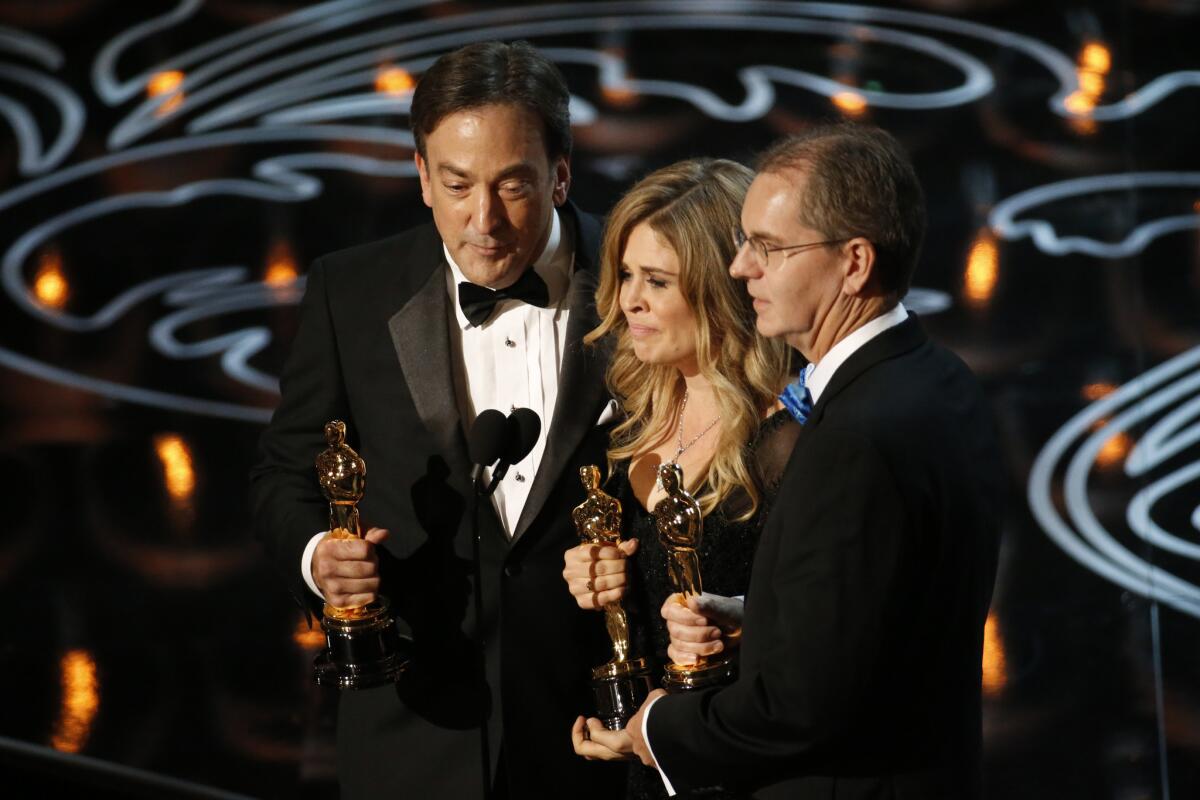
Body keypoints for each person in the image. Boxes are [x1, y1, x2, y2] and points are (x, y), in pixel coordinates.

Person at [249, 41, 625, 800]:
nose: (483, 220)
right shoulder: (348, 291)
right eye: (457, 184)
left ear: (560, 174)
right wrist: (319, 554)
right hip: (413, 736)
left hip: (601, 734)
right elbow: (283, 476)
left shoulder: (640, 275)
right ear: (422, 177)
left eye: (514, 185)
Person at [619, 125, 1006, 799]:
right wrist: (758, 618)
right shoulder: (937, 378)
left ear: (853, 263)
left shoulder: (857, 435)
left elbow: (798, 707)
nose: (741, 268)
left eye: (767, 248)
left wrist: (661, 729)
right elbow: (882, 615)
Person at [559, 159, 799, 799]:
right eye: (628, 274)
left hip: (751, 775)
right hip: (647, 768)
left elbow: (825, 628)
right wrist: (591, 576)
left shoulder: (787, 441)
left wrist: (743, 622)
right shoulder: (627, 424)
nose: (628, 300)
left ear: (724, 287)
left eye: (658, 282)